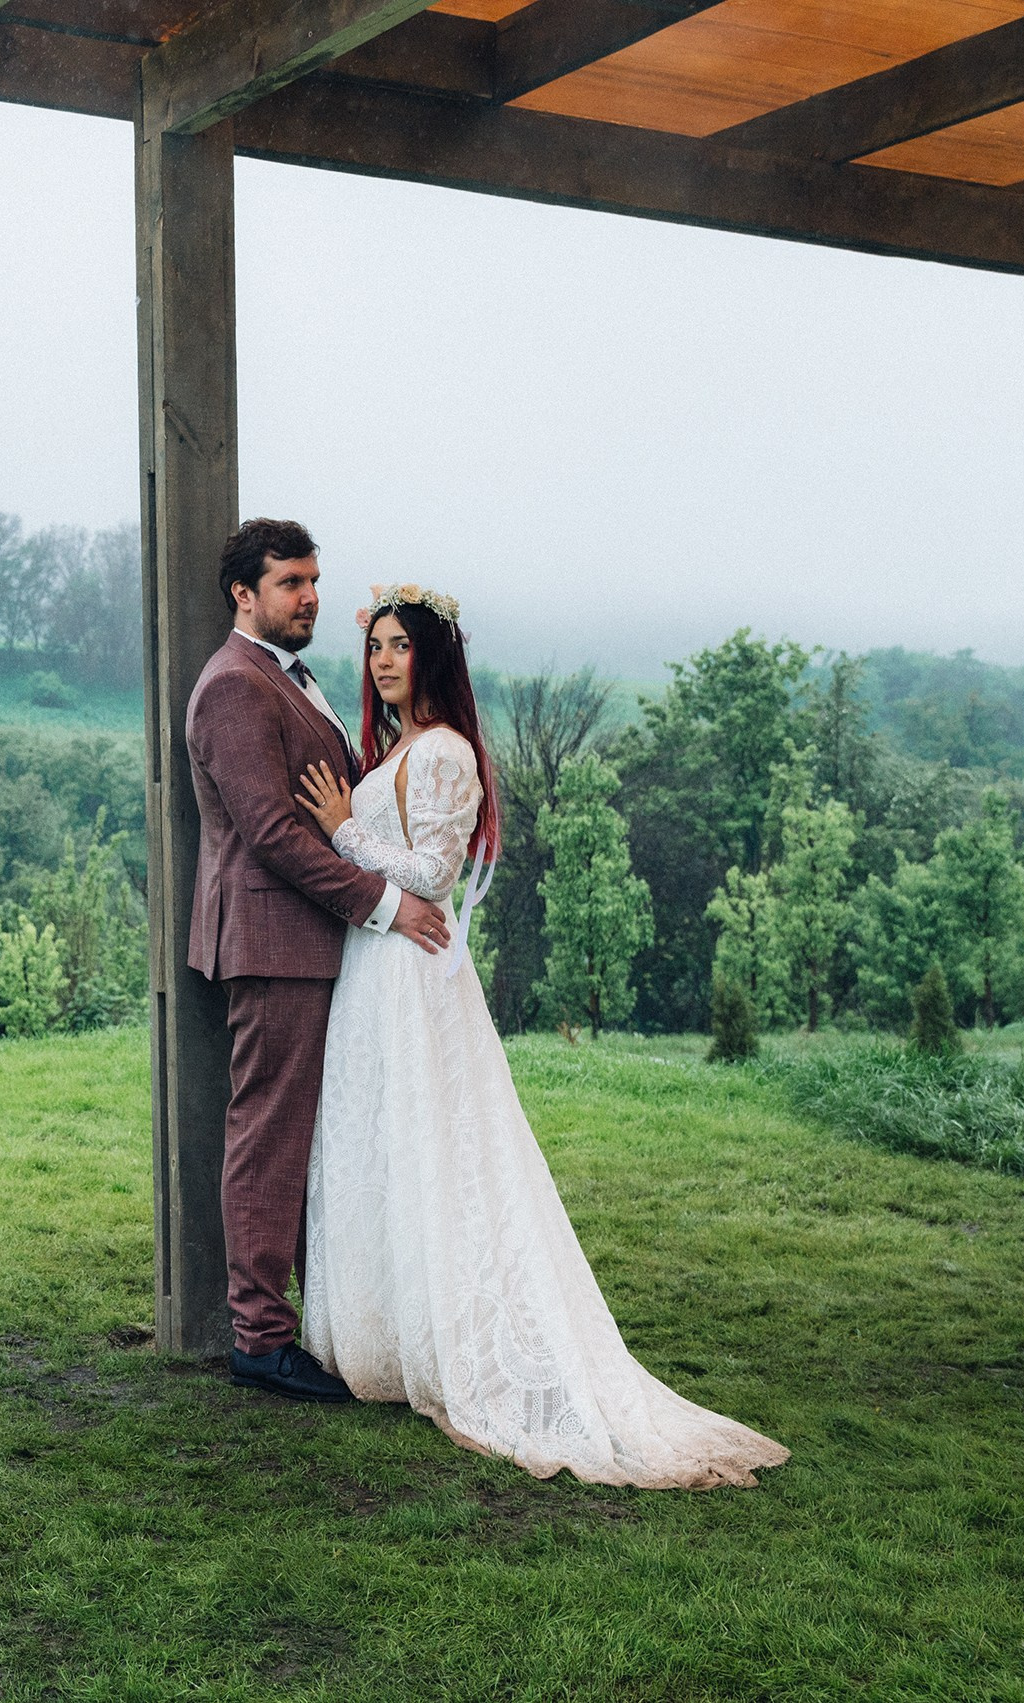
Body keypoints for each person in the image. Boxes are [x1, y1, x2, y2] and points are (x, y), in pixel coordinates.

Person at [290, 584, 789, 1488]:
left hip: (410, 970)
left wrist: (343, 833)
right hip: (378, 966)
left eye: (401, 645)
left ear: (434, 656)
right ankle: (389, 1330)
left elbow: (435, 873)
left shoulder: (442, 752)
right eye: (376, 647)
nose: (384, 661)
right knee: (384, 1144)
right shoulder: (400, 748)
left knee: (437, 1146)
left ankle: (459, 1342)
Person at [181, 519, 451, 1404]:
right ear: (243, 593)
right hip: (272, 941)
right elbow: (268, 833)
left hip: (310, 942)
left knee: (306, 1139)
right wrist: (382, 905)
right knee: (268, 1138)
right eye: (292, 582)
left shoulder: (289, 679)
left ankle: (324, 1317)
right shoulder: (233, 685)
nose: (310, 597)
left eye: (313, 580)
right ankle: (260, 1339)